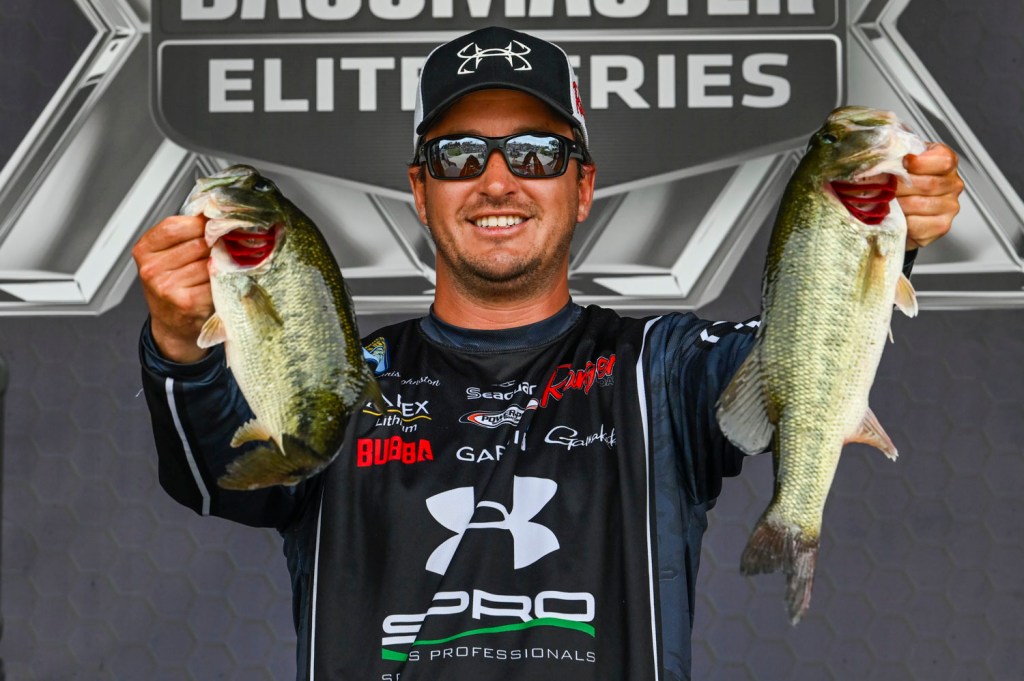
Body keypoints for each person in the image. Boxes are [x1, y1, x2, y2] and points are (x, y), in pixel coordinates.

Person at [132, 26, 964, 681]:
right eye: (460, 156)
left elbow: (802, 356)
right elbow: (213, 476)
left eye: (535, 153)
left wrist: (879, 228)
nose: (497, 181)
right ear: (421, 190)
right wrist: (178, 341)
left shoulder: (662, 368)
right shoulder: (344, 378)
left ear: (583, 184)